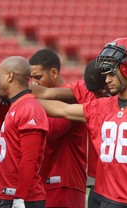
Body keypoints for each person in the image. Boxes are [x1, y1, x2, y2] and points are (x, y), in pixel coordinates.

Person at [38, 37, 127, 207]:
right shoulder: (104, 105)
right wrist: (23, 99)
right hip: (105, 195)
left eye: (111, 73)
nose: (107, 79)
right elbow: (62, 110)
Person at [29, 49, 87, 208]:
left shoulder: (68, 96)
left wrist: (24, 104)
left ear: (53, 73)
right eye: (31, 78)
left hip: (65, 182)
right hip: (48, 179)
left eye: (38, 77)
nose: (33, 83)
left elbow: (52, 129)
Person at [0, 56, 48, 207]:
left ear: (10, 76)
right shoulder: (17, 104)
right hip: (10, 195)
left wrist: (20, 197)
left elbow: (29, 159)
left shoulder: (28, 108)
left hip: (23, 198)